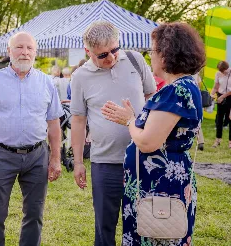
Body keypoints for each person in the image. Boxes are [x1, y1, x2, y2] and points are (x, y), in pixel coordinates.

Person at [101, 22, 204, 246]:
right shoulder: (183, 87)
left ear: (167, 53)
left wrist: (129, 120)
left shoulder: (176, 90)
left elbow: (148, 142)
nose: (150, 56)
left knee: (159, 237)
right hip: (160, 184)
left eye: (153, 50)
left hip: (160, 187)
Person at [0, 32, 63, 246]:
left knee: (34, 214)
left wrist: (55, 158)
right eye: (20, 47)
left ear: (35, 53)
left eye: (30, 48)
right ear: (9, 51)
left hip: (37, 156)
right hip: (2, 155)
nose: (25, 52)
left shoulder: (46, 82)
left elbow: (54, 124)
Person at [71, 20, 156, 246]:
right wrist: (78, 162)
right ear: (87, 51)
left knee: (144, 223)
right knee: (105, 227)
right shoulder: (80, 76)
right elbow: (78, 120)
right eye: (102, 55)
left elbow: (152, 98)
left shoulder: (136, 60)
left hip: (143, 158)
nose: (111, 57)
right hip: (105, 162)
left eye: (115, 50)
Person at [210, 61, 231, 148]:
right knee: (219, 119)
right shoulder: (218, 73)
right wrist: (211, 95)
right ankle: (217, 140)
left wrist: (223, 97)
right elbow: (216, 87)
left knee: (230, 119)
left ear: (227, 68)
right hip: (220, 97)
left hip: (229, 97)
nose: (222, 72)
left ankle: (230, 142)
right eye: (220, 71)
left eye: (223, 71)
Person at [193, 73, 205, 150]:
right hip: (196, 98)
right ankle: (200, 141)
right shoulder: (196, 73)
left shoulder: (180, 72)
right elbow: (200, 85)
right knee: (197, 120)